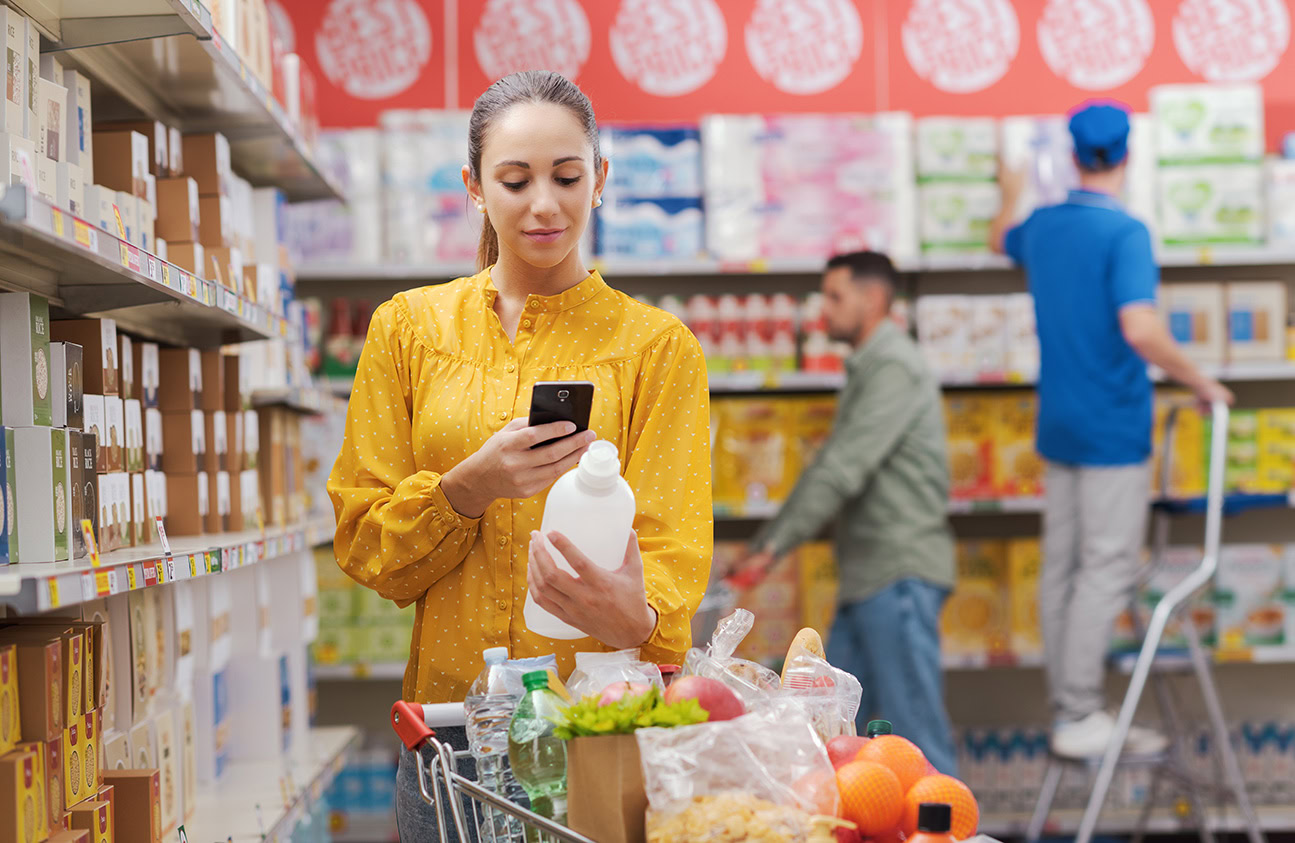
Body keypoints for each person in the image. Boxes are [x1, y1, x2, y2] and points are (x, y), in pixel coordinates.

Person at [327, 70, 712, 839]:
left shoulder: (655, 348)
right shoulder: (408, 330)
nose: (545, 203)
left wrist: (637, 613)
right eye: (515, 179)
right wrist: (465, 489)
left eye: (567, 177)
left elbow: (671, 555)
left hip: (595, 734)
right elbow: (368, 547)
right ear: (474, 186)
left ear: (598, 179)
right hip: (447, 743)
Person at [989, 101, 1234, 759]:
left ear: (1072, 156)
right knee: (1105, 566)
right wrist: (1201, 381)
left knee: (1061, 566)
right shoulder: (1125, 233)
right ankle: (1076, 713)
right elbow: (1139, 327)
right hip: (1111, 427)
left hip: (1059, 424)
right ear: (1126, 157)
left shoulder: (1039, 226)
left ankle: (1063, 705)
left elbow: (997, 238)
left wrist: (1010, 194)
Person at [738, 250, 958, 774]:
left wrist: (770, 547)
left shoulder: (893, 365)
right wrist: (769, 543)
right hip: (868, 578)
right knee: (825, 731)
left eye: (835, 297)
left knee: (916, 734)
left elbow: (841, 468)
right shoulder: (872, 366)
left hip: (897, 574)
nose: (823, 311)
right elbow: (834, 467)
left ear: (874, 298)